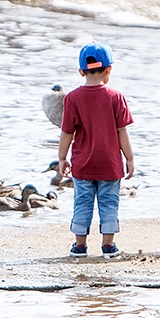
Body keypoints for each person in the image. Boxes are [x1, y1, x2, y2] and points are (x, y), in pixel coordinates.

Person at [58, 41, 135, 258]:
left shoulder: (72, 98)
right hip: (110, 164)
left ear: (81, 71)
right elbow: (122, 132)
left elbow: (67, 133)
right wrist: (129, 158)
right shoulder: (116, 97)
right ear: (108, 70)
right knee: (109, 202)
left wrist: (62, 158)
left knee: (82, 202)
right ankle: (108, 246)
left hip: (83, 164)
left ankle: (80, 246)